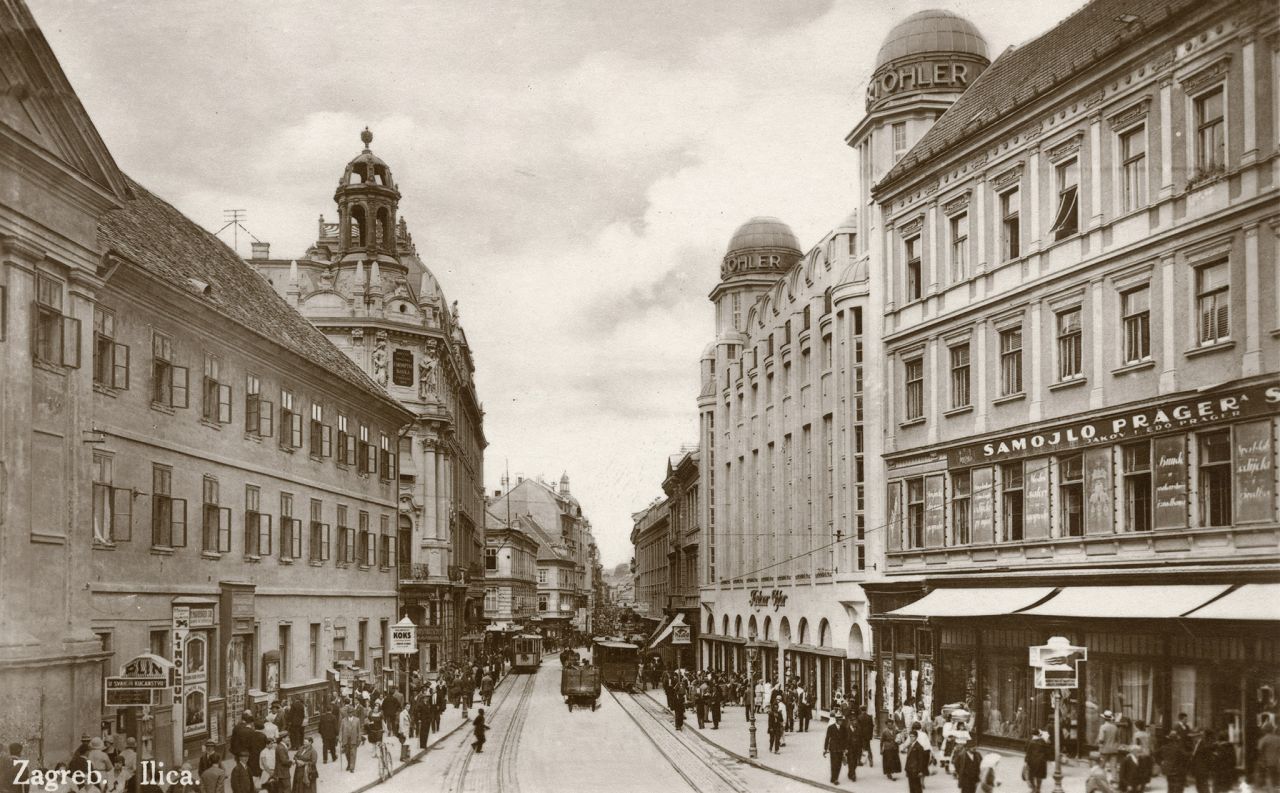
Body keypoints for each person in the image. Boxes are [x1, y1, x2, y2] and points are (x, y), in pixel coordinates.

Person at [1162, 727, 1190, 793]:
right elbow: (1186, 756)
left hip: (1168, 771)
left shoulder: (1164, 747)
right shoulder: (1178, 748)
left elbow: (1155, 753)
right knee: (1178, 789)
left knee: (1170, 788)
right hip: (1177, 771)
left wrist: (1161, 762)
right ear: (1176, 740)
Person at [824, 714, 850, 785]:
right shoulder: (831, 727)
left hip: (840, 749)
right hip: (833, 748)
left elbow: (846, 739)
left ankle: (835, 778)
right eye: (840, 720)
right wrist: (825, 749)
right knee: (834, 764)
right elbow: (827, 738)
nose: (841, 722)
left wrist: (846, 748)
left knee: (839, 764)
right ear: (837, 720)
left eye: (842, 720)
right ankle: (834, 778)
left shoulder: (844, 728)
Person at [1099, 711, 1121, 783]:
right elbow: (1118, 739)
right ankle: (1114, 779)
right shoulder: (1115, 727)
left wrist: (1100, 744)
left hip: (1104, 749)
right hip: (1114, 749)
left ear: (1104, 718)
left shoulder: (1103, 727)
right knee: (1113, 765)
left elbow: (1101, 739)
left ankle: (1100, 779)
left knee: (1102, 765)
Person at [1259, 723, 1280, 793]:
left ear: (1264, 730)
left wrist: (1262, 762)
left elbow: (1260, 751)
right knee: (1276, 779)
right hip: (1277, 762)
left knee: (1268, 778)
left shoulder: (1263, 739)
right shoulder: (1278, 739)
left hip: (1267, 762)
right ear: (1272, 730)